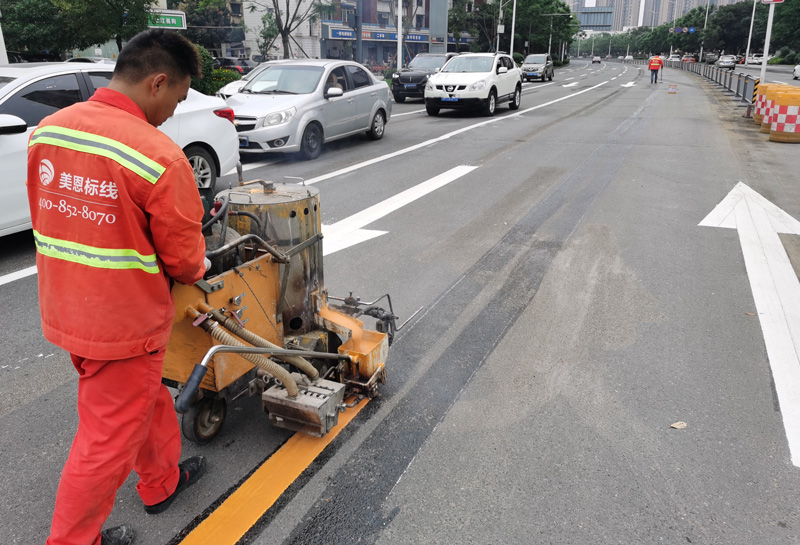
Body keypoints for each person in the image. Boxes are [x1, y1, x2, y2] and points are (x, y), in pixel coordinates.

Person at [27, 29, 209, 545]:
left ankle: (161, 482)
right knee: (104, 442)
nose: (174, 112)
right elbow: (186, 261)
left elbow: (52, 218)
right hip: (123, 325)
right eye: (176, 98)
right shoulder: (159, 156)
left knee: (147, 400)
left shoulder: (50, 131)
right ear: (157, 82)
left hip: (69, 308)